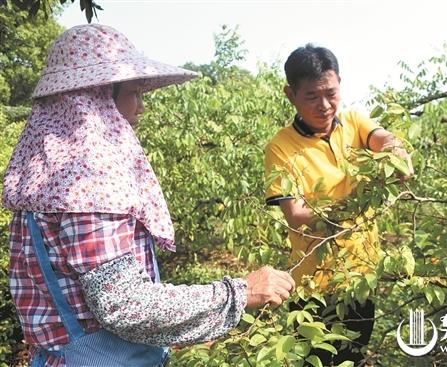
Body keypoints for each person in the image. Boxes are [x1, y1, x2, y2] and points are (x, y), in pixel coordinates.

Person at [3, 24, 295, 367]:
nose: (140, 107)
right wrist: (240, 292)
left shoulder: (49, 173)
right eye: (134, 93)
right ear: (98, 96)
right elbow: (125, 305)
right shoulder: (87, 179)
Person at [264, 44, 413, 365]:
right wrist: (355, 204)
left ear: (340, 84)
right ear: (290, 95)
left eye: (331, 93)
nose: (324, 105)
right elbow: (297, 216)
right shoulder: (281, 147)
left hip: (361, 276)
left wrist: (396, 150)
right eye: (311, 97)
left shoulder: (354, 122)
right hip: (313, 287)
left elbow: (383, 139)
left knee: (354, 358)